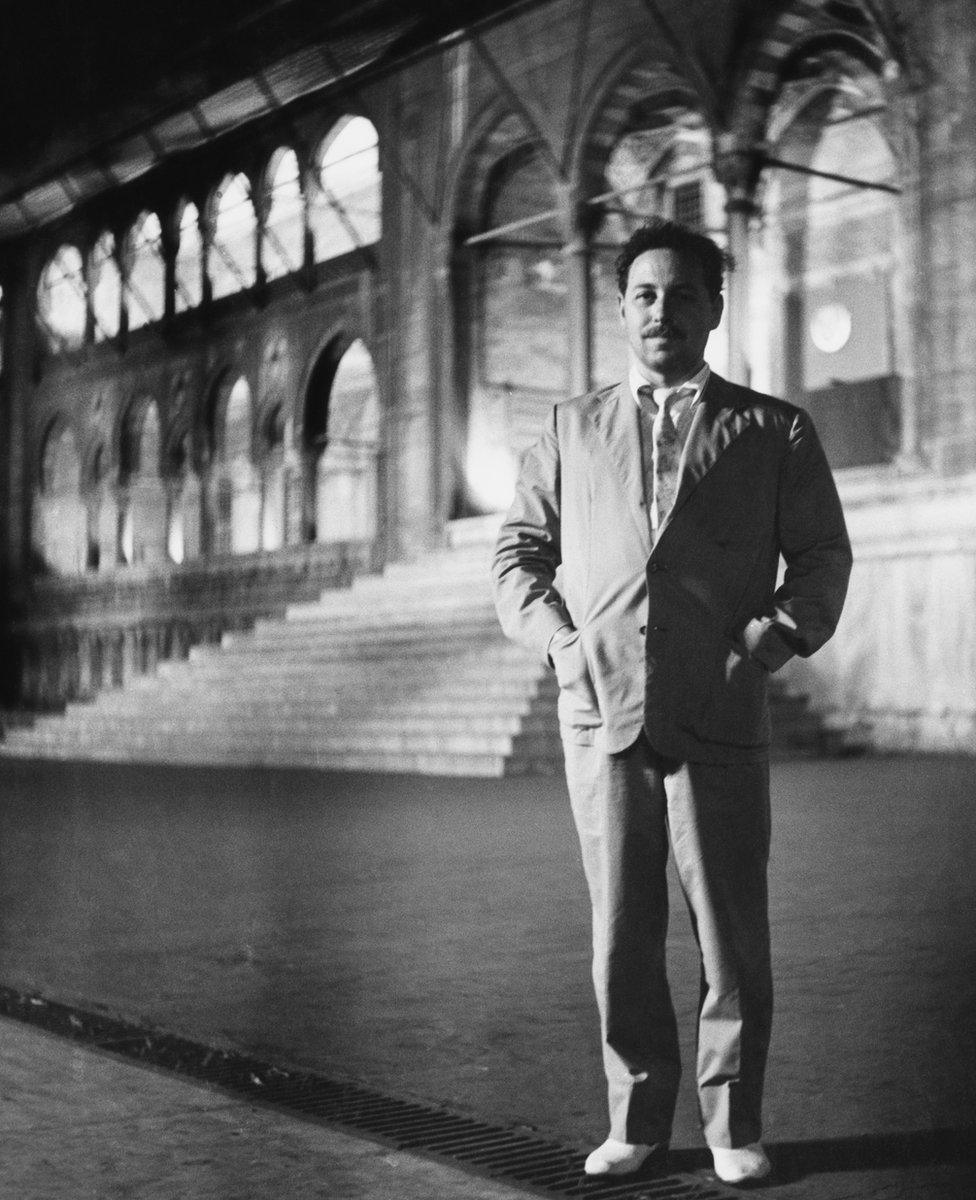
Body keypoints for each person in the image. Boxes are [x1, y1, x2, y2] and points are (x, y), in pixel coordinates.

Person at [491, 216, 852, 1186]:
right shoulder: (569, 428)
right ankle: (637, 1117)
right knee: (619, 929)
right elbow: (517, 556)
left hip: (718, 714)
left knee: (730, 929)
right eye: (644, 294)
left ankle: (732, 1126)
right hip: (599, 713)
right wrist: (561, 643)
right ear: (619, 309)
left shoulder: (773, 429)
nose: (661, 310)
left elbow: (821, 554)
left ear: (714, 308)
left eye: (682, 293)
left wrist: (775, 633)